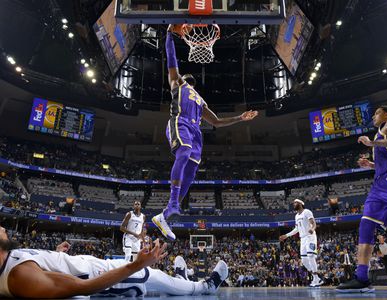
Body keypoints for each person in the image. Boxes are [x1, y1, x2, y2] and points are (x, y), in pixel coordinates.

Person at [152, 24, 259, 241]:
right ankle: (173, 202)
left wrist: (240, 118)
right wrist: (169, 36)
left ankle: (163, 216)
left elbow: (217, 122)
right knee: (183, 153)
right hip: (179, 122)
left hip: (195, 131)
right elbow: (171, 61)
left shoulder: (200, 100)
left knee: (191, 173)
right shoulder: (178, 84)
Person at [0, 226, 228, 298]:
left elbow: (40, 271)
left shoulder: (13, 263)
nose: (2, 227)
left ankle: (181, 279)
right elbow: (83, 288)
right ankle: (205, 287)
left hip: (88, 266)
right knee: (154, 277)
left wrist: (53, 255)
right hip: (97, 277)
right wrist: (135, 265)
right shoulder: (20, 277)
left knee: (157, 278)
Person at [336, 106, 387, 293]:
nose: (373, 116)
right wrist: (370, 164)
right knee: (366, 225)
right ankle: (361, 278)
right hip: (378, 184)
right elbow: (384, 160)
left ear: (386, 114)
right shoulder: (380, 133)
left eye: (377, 112)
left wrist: (371, 143)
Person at [279, 199, 323, 287]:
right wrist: (286, 235)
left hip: (310, 237)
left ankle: (316, 279)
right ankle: (317, 277)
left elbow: (313, 223)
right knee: (304, 261)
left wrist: (312, 229)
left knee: (310, 256)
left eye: (295, 203)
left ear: (301, 204)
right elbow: (297, 229)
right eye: (294, 203)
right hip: (302, 239)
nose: (294, 204)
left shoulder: (307, 212)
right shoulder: (296, 216)